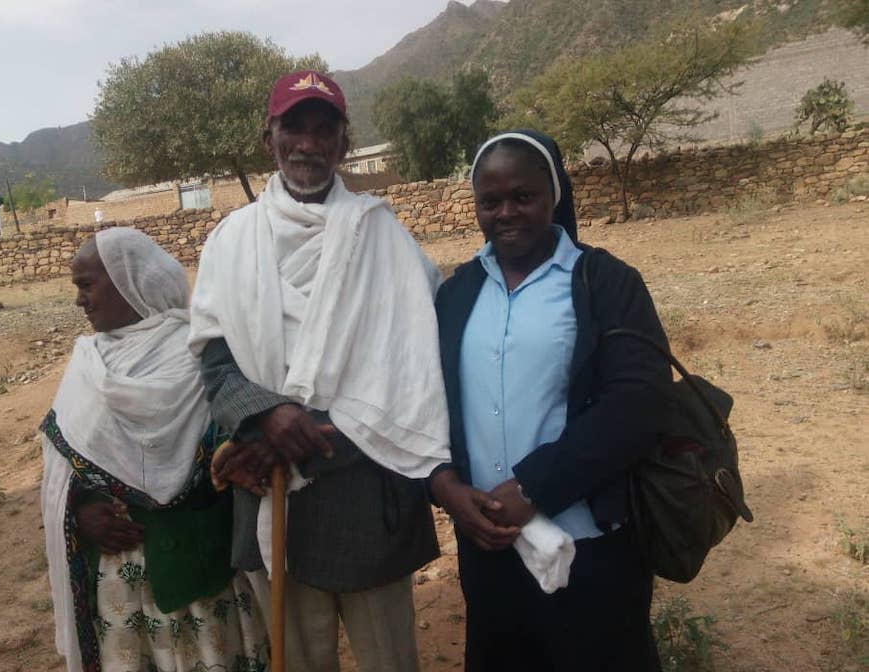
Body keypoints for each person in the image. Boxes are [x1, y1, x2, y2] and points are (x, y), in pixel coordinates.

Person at [187, 70, 450, 672]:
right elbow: (214, 357)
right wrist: (264, 418)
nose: (307, 143)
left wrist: (307, 434)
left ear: (343, 140)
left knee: (390, 658)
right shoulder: (232, 241)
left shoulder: (383, 235)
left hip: (365, 489)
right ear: (269, 137)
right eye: (293, 128)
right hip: (269, 488)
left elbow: (411, 361)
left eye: (323, 129)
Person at [430, 130, 672, 671]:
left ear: (554, 194)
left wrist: (534, 488)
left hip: (591, 552)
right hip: (489, 549)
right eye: (489, 202)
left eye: (524, 196)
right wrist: (445, 486)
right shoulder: (458, 293)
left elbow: (639, 403)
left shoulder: (604, 283)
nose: (506, 213)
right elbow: (432, 403)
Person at [40, 227, 267, 672]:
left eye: (87, 285)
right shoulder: (88, 363)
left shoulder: (200, 352)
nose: (79, 301)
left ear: (130, 281)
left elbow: (235, 445)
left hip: (202, 576)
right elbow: (60, 472)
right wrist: (80, 513)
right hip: (120, 585)